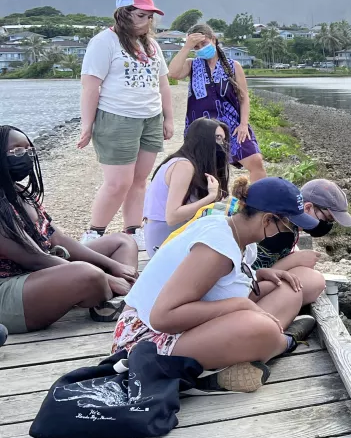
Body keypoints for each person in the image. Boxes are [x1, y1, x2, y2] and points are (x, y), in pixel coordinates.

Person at [114, 176, 321, 393]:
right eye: (289, 226)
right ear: (268, 220)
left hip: (187, 326)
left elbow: (220, 284)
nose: (292, 234)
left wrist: (258, 274)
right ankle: (283, 343)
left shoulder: (235, 233)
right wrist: (238, 306)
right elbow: (163, 317)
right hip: (145, 338)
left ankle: (247, 353)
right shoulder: (216, 247)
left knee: (291, 290)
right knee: (264, 328)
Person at [0, 126, 139, 334]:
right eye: (17, 151)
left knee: (122, 242)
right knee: (87, 273)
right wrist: (106, 275)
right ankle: (109, 292)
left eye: (29, 151)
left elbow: (58, 238)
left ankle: (111, 301)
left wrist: (114, 266)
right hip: (8, 291)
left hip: (37, 272)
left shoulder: (19, 192)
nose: (26, 157)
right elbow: (35, 259)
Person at [79, 0, 173, 248]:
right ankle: (94, 233)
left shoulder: (152, 45)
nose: (146, 21)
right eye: (141, 15)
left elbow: (163, 84)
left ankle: (133, 230)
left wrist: (168, 119)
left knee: (140, 180)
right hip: (118, 118)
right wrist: (87, 125)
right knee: (118, 182)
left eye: (149, 17)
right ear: (124, 14)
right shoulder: (103, 42)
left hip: (150, 119)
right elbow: (90, 86)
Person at [168, 23, 266, 182]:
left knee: (256, 162)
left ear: (213, 39)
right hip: (201, 128)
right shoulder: (192, 65)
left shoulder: (234, 66)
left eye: (204, 43)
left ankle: (255, 204)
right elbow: (173, 73)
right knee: (209, 172)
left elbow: (243, 97)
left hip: (232, 125)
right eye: (196, 46)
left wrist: (243, 124)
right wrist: (187, 46)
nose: (200, 48)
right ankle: (212, 203)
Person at [142, 118, 231, 256]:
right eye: (218, 138)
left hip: (174, 232)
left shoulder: (190, 164)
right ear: (203, 138)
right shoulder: (183, 165)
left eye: (223, 140)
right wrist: (210, 197)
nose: (222, 144)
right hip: (164, 239)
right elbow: (172, 216)